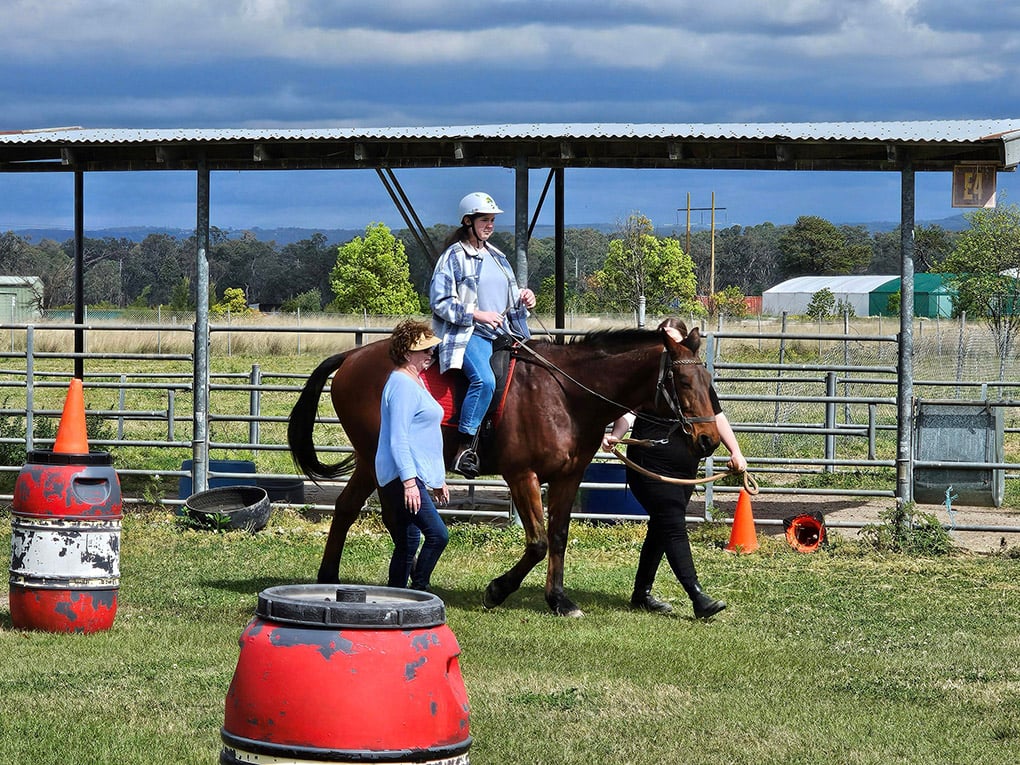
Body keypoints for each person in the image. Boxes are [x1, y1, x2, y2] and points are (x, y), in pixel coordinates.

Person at [601, 318, 747, 619]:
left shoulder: (694, 377)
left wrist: (736, 451)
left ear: (684, 343)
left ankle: (641, 594)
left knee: (661, 527)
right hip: (650, 464)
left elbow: (716, 415)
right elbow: (629, 413)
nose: (666, 346)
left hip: (684, 468)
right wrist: (616, 435)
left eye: (671, 340)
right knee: (672, 523)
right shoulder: (649, 376)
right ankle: (697, 596)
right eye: (663, 340)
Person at [430, 191, 537, 478]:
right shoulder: (453, 257)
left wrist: (524, 297)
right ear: (468, 221)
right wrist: (477, 314)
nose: (490, 225)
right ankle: (465, 447)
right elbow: (440, 302)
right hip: (468, 334)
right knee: (484, 380)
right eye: (484, 220)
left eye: (492, 220)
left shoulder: (498, 257)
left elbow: (506, 297)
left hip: (504, 332)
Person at [375, 320, 451, 591]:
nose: (430, 354)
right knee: (437, 535)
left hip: (412, 474)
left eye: (431, 349)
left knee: (408, 542)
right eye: (424, 350)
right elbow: (399, 438)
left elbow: (424, 436)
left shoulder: (415, 381)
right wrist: (409, 483)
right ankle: (420, 590)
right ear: (408, 353)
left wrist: (437, 478)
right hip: (402, 475)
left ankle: (395, 595)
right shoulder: (403, 385)